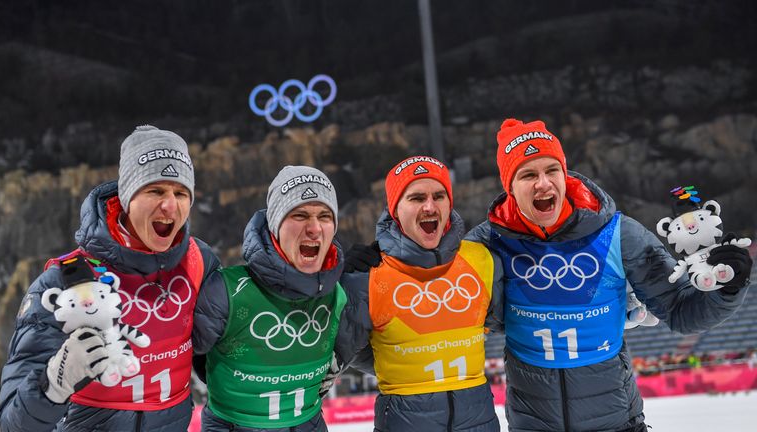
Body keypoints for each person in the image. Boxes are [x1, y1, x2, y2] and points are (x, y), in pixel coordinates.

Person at [466, 118, 753, 431]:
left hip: (617, 423)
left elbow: (683, 311)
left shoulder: (618, 234)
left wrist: (729, 286)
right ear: (509, 187)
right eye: (528, 175)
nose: (543, 183)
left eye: (552, 170)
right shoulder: (486, 245)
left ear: (564, 174)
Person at [0, 125, 221, 431]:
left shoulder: (198, 261)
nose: (170, 206)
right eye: (155, 190)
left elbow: (219, 360)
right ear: (126, 197)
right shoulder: (68, 280)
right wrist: (53, 386)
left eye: (181, 193)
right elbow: (13, 422)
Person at [336, 156, 504, 432]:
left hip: (480, 421)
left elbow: (497, 319)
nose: (430, 206)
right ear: (395, 210)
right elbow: (348, 350)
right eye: (416, 198)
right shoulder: (368, 275)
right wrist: (398, 364)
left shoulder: (481, 260)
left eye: (439, 196)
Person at [193, 166, 346, 432]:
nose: (314, 228)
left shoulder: (340, 294)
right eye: (299, 215)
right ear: (275, 225)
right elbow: (184, 356)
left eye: (325, 216)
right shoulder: (227, 290)